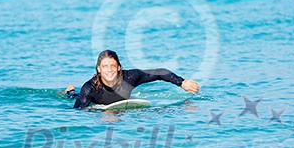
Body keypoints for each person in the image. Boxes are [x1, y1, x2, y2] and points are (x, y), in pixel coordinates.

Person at [65, 50, 200, 109]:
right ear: (99, 69)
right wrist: (97, 113)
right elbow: (78, 111)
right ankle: (70, 91)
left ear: (119, 67)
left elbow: (159, 73)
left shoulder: (129, 77)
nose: (110, 70)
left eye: (113, 66)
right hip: (91, 101)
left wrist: (182, 82)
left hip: (120, 104)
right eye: (105, 67)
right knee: (75, 96)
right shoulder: (90, 88)